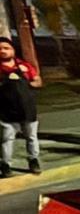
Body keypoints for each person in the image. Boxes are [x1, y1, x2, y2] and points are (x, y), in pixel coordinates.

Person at [0, 37, 42, 178]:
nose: (3, 51)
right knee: (7, 139)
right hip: (6, 112)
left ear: (13, 50)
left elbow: (37, 81)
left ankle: (33, 161)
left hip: (27, 109)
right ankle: (5, 165)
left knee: (31, 137)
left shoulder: (24, 66)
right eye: (0, 49)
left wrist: (27, 78)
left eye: (6, 48)